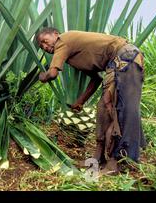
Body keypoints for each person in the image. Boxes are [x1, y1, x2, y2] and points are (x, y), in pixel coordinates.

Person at [36, 27, 146, 174]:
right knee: (103, 111)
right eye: (41, 46)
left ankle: (113, 165)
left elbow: (53, 73)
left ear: (55, 34)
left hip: (124, 58)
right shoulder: (73, 56)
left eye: (44, 41)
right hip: (117, 63)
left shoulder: (63, 40)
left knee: (113, 111)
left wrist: (42, 76)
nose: (44, 46)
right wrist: (80, 101)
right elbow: (96, 79)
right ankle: (97, 159)